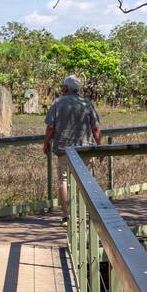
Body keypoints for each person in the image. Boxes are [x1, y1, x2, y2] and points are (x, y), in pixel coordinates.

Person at [42, 74, 102, 222]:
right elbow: (95, 129)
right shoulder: (86, 103)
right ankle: (87, 214)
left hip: (64, 149)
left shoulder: (58, 103)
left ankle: (65, 215)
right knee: (86, 181)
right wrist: (100, 146)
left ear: (66, 88)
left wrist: (46, 143)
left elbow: (50, 127)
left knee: (63, 181)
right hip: (85, 149)